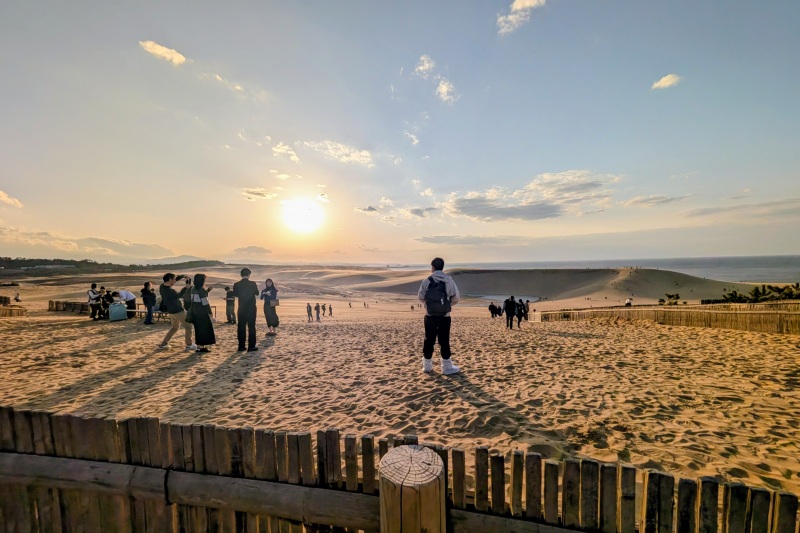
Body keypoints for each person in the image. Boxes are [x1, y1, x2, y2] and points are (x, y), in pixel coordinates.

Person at [417, 257, 461, 375]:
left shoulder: (427, 281)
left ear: (433, 267)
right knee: (444, 340)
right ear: (442, 267)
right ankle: (447, 367)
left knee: (429, 339)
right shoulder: (449, 280)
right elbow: (457, 297)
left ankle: (427, 366)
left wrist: (429, 305)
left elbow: (420, 297)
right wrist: (446, 305)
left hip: (430, 315)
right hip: (445, 316)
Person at [158, 273, 196, 351]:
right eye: (174, 279)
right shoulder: (171, 291)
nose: (175, 280)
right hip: (178, 311)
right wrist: (186, 288)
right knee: (188, 326)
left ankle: (164, 344)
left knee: (175, 327)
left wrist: (181, 277)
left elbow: (173, 281)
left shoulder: (162, 286)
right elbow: (180, 295)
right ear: (170, 279)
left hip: (171, 311)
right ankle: (189, 344)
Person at [233, 268, 259, 352]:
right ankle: (251, 346)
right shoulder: (252, 284)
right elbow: (257, 293)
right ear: (249, 275)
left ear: (241, 275)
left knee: (241, 327)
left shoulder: (236, 284)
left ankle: (241, 346)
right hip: (251, 308)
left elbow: (235, 294)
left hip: (241, 308)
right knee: (251, 327)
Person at [190, 274, 215, 353]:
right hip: (202, 312)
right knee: (204, 329)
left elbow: (198, 298)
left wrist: (207, 291)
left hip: (195, 311)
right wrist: (210, 312)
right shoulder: (201, 290)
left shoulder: (193, 289)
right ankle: (201, 347)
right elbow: (205, 302)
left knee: (198, 329)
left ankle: (199, 346)